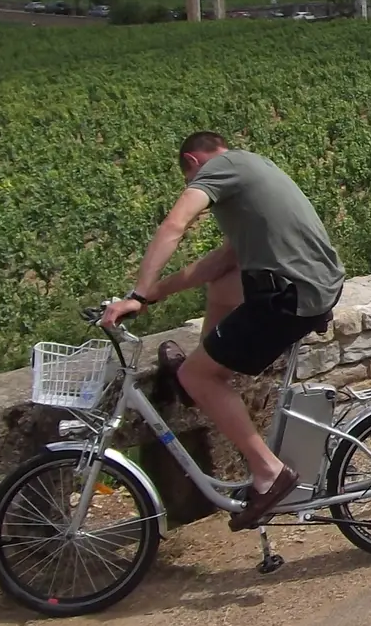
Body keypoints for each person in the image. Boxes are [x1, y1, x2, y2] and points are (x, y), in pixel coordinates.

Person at [100, 133, 345, 530]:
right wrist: (153, 297)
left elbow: (175, 224)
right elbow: (219, 264)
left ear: (193, 161)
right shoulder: (250, 167)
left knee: (198, 375)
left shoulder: (218, 169)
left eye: (190, 180)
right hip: (310, 283)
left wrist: (137, 292)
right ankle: (207, 369)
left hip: (293, 295)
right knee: (223, 285)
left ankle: (269, 473)